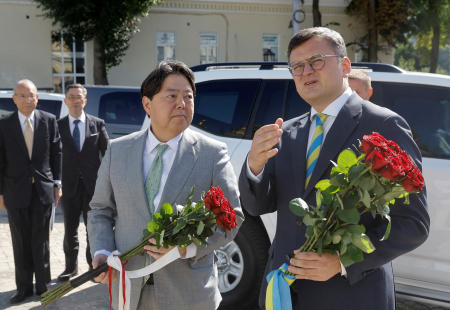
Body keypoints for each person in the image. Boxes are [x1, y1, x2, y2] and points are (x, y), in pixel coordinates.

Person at [239, 27, 429, 310]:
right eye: (297, 66)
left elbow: (413, 224)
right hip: (284, 293)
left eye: (316, 61)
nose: (306, 72)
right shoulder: (287, 132)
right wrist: (253, 166)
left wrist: (342, 262)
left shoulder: (385, 126)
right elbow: (256, 207)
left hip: (351, 295)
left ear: (345, 65)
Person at [87, 60, 244, 310]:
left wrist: (187, 248)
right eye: (172, 96)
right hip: (129, 291)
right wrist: (102, 251)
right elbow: (100, 210)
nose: (182, 103)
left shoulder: (212, 154)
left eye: (188, 97)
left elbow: (231, 218)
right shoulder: (118, 151)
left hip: (188, 294)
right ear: (147, 104)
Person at [0, 79, 62, 303]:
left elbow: (57, 153)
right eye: (23, 96)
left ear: (38, 98)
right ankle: (23, 288)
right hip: (15, 192)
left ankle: (44, 287)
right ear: (14, 99)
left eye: (32, 95)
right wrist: (0, 194)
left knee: (41, 240)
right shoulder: (4, 124)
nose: (28, 100)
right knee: (20, 240)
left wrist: (58, 184)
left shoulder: (49, 120)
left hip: (44, 190)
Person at [57, 84, 109, 281]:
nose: (75, 100)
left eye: (79, 97)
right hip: (68, 187)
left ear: (85, 101)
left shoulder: (97, 124)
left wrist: (107, 182)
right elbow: (53, 156)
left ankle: (92, 266)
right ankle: (71, 267)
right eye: (71, 97)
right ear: (66, 101)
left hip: (93, 188)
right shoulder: (58, 125)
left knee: (92, 228)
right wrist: (56, 183)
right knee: (70, 229)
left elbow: (108, 154)